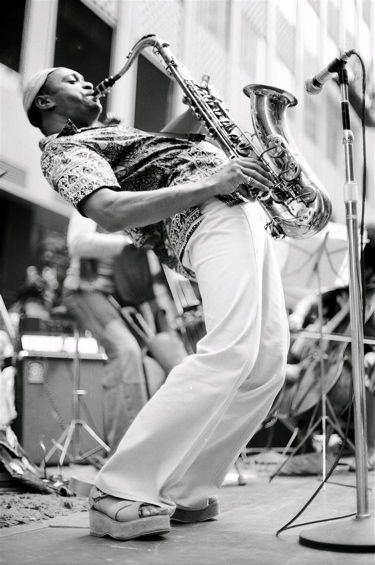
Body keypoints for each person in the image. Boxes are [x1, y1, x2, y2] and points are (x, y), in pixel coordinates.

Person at [22, 67, 289, 541]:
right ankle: (122, 488)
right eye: (71, 80)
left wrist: (194, 107)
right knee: (232, 352)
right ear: (45, 103)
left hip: (234, 208)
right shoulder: (63, 150)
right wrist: (213, 181)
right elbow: (108, 212)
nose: (87, 82)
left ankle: (185, 488)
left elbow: (153, 155)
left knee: (265, 364)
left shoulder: (109, 134)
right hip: (210, 213)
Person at [288, 225, 375, 471]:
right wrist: (298, 316)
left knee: (371, 372)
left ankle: (370, 449)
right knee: (289, 380)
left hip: (365, 354)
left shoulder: (368, 297)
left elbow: (359, 326)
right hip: (337, 357)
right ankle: (314, 445)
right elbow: (311, 300)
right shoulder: (343, 291)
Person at [63, 209, 149, 454]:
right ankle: (124, 453)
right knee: (126, 352)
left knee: (146, 361)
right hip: (84, 291)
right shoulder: (91, 197)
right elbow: (77, 243)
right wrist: (131, 243)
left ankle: (142, 447)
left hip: (113, 300)